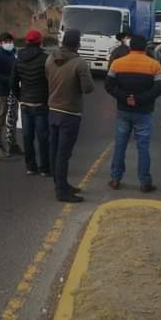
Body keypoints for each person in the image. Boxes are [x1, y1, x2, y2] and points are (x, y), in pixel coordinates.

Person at [105, 35, 161, 193]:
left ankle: (115, 179)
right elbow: (159, 88)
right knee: (143, 147)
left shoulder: (118, 64)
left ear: (130, 47)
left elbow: (108, 86)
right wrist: (139, 99)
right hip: (143, 112)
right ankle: (145, 182)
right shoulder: (154, 65)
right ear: (145, 48)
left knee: (120, 145)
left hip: (124, 110)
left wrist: (125, 98)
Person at [45, 29, 94, 202]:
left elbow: (47, 79)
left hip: (52, 110)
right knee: (64, 153)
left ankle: (61, 183)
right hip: (70, 112)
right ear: (77, 44)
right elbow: (88, 88)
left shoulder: (50, 58)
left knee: (55, 149)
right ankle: (61, 191)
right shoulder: (79, 63)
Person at [11, 30, 50, 176]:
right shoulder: (46, 59)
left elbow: (13, 82)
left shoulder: (18, 59)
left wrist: (20, 96)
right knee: (43, 137)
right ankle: (45, 168)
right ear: (40, 42)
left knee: (27, 136)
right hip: (41, 103)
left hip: (25, 103)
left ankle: (30, 166)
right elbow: (50, 81)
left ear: (26, 42)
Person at [0, 33, 18, 158]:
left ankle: (12, 144)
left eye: (10, 41)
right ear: (1, 43)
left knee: (12, 119)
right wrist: (8, 80)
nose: (9, 43)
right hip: (1, 92)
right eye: (6, 41)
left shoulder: (12, 53)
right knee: (0, 119)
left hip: (12, 92)